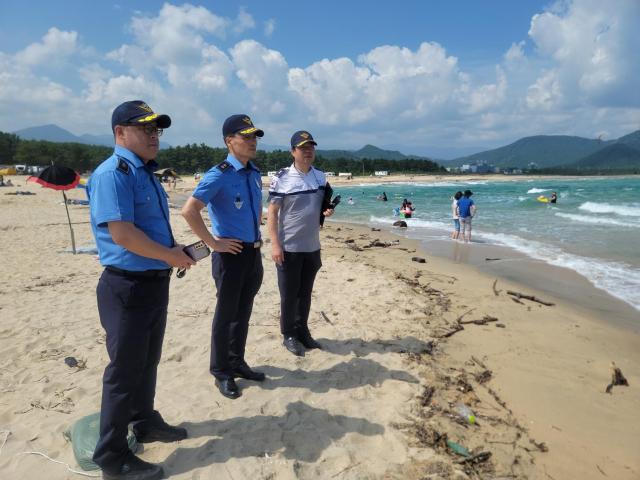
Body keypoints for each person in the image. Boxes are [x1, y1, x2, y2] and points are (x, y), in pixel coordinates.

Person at [87, 100, 195, 480]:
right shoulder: (112, 173)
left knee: (147, 362)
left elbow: (149, 230)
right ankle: (112, 459)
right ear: (120, 133)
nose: (154, 135)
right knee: (123, 373)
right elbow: (123, 234)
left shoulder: (145, 173)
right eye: (145, 128)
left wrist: (174, 250)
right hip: (127, 286)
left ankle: (144, 422)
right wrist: (169, 256)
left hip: (153, 282)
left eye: (157, 129)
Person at [181, 114, 265, 400]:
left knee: (244, 312)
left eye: (255, 136)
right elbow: (189, 210)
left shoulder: (254, 172)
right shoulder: (219, 174)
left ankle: (237, 361)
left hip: (253, 253)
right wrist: (213, 243)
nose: (253, 142)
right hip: (230, 256)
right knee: (226, 314)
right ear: (230, 141)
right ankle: (221, 371)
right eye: (247, 137)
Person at [267, 131, 334, 357]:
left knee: (305, 293)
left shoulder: (320, 177)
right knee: (289, 294)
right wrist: (275, 245)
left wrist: (328, 210)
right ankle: (289, 335)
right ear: (293, 151)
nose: (308, 151)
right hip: (289, 248)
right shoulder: (281, 177)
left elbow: (321, 207)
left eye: (311, 147)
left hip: (312, 247)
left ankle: (303, 331)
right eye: (303, 147)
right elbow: (273, 214)